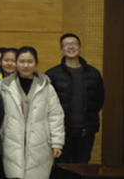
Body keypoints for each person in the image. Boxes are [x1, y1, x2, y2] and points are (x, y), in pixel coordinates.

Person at [0, 46, 65, 179]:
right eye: (22, 61)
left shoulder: (46, 87)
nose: (25, 65)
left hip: (40, 143)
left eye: (30, 61)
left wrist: (57, 143)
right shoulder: (6, 86)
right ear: (16, 63)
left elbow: (55, 116)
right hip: (12, 142)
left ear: (36, 63)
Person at [46, 34, 104, 166]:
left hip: (86, 129)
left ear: (80, 47)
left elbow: (99, 100)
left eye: (74, 44)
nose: (71, 47)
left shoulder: (93, 73)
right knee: (62, 166)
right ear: (61, 49)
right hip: (61, 130)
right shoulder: (52, 74)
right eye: (66, 44)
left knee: (82, 165)